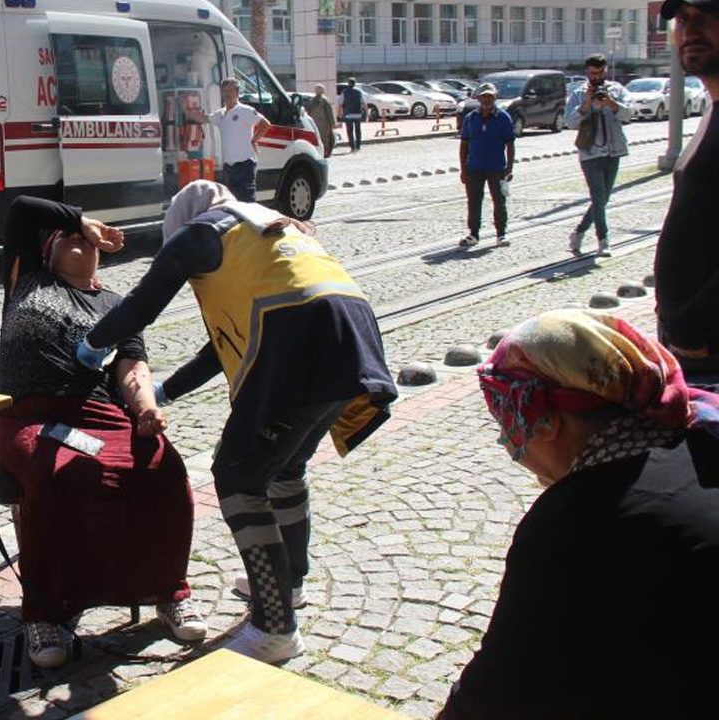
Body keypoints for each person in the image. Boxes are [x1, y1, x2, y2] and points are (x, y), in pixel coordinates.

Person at [78, 181, 396, 664]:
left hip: (298, 340)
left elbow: (141, 306)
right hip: (349, 336)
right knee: (284, 470)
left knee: (237, 475)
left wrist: (93, 346)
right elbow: (218, 347)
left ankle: (275, 628)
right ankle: (288, 584)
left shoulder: (199, 232)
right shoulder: (261, 228)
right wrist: (166, 390)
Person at [438, 309, 719, 719]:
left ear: (548, 422)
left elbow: (500, 692)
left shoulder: (575, 522)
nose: (507, 444)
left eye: (510, 424)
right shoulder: (703, 436)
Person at [0, 196, 204, 669]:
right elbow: (22, 211)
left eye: (81, 239)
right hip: (32, 415)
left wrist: (146, 407)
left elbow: (132, 363)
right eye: (63, 236)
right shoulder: (26, 279)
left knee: (164, 469)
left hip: (102, 415)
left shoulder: (116, 303)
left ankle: (169, 590)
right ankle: (46, 613)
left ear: (100, 256)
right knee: (59, 474)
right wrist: (81, 220)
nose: (73, 240)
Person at [655, 0, 719, 382]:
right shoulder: (713, 110)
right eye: (682, 20)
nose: (690, 30)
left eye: (706, 16)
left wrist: (695, 326)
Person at [564, 54, 631, 256]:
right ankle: (603, 240)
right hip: (589, 152)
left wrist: (610, 102)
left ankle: (579, 232)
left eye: (600, 73)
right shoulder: (577, 93)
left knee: (602, 200)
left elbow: (629, 113)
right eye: (593, 73)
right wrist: (585, 104)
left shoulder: (617, 90)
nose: (596, 77)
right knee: (598, 196)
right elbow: (569, 122)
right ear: (587, 72)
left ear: (605, 71)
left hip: (613, 150)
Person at [184, 77, 270, 201]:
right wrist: (186, 111)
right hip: (229, 167)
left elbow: (265, 124)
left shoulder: (245, 110)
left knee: (247, 203)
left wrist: (254, 140)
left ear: (237, 93)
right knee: (231, 202)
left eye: (230, 90)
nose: (227, 94)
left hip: (245, 165)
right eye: (225, 91)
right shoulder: (221, 114)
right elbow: (203, 119)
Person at [458, 83, 515, 248]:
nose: (487, 99)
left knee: (499, 201)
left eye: (490, 96)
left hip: (497, 168)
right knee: (474, 201)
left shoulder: (503, 118)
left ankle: (501, 234)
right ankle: (473, 234)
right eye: (484, 96)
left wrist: (509, 169)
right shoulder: (471, 118)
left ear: (495, 97)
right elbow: (464, 145)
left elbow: (510, 144)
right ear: (478, 98)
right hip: (474, 168)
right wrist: (463, 169)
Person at [305, 84, 336, 158]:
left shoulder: (318, 100)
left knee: (323, 138)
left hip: (320, 123)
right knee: (323, 138)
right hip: (321, 123)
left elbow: (328, 112)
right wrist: (332, 123)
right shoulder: (318, 100)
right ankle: (323, 152)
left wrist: (332, 123)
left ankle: (323, 152)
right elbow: (329, 113)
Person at [339, 78, 364, 152]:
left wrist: (339, 114)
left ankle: (352, 147)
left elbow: (340, 104)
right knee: (358, 131)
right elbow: (363, 103)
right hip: (357, 114)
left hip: (348, 114)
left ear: (348, 83)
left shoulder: (344, 92)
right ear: (355, 83)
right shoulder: (359, 92)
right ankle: (358, 146)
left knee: (350, 131)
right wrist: (365, 112)